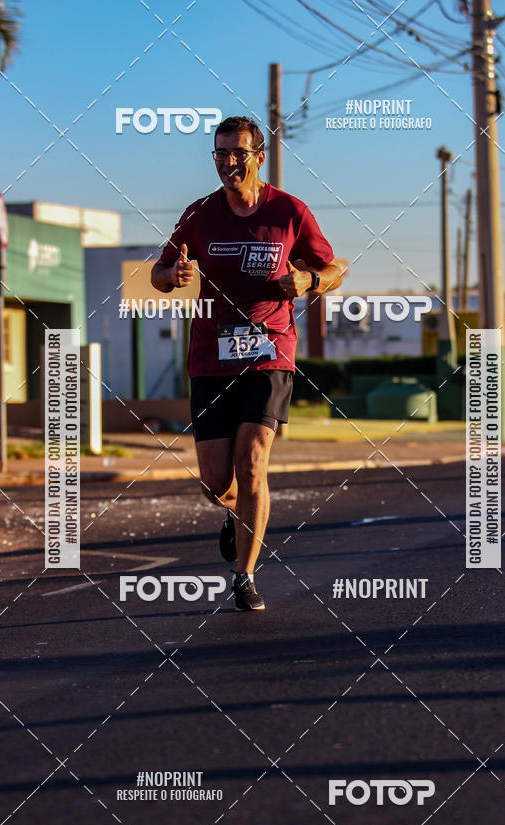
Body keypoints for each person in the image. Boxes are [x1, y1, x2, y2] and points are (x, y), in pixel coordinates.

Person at [151, 116, 345, 611]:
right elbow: (157, 273)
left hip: (269, 351)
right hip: (210, 357)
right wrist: (173, 274)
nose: (228, 162)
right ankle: (235, 516)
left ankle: (245, 575)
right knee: (217, 481)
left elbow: (335, 266)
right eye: (219, 154)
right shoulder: (200, 214)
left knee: (253, 462)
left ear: (259, 155)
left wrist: (308, 283)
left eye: (237, 153)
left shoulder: (288, 211)